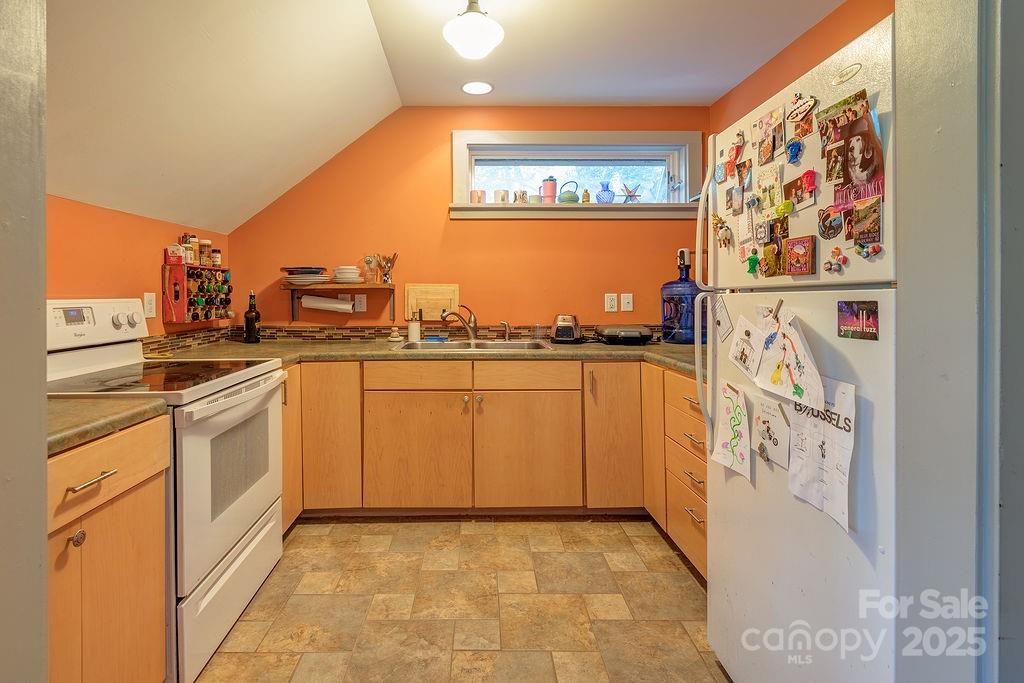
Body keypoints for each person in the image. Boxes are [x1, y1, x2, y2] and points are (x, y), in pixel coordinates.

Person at [844, 116, 884, 188]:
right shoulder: (849, 169)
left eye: (858, 139)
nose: (851, 146)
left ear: (866, 143)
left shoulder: (876, 162)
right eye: (851, 141)